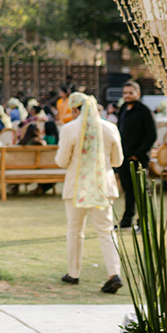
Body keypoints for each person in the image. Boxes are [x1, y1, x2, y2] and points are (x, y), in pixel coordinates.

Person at [55, 92, 124, 294]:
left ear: (75, 110)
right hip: (103, 185)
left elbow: (61, 161)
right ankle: (114, 273)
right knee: (106, 231)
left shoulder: (69, 129)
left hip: (77, 186)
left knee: (75, 231)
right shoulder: (110, 127)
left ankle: (73, 273)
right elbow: (117, 161)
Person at [115, 80, 157, 230]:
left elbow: (151, 135)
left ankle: (144, 223)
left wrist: (138, 154)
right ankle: (126, 221)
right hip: (123, 157)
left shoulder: (145, 111)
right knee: (128, 190)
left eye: (130, 93)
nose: (127, 96)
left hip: (138, 158)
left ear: (138, 94)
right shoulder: (123, 110)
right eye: (125, 93)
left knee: (141, 191)